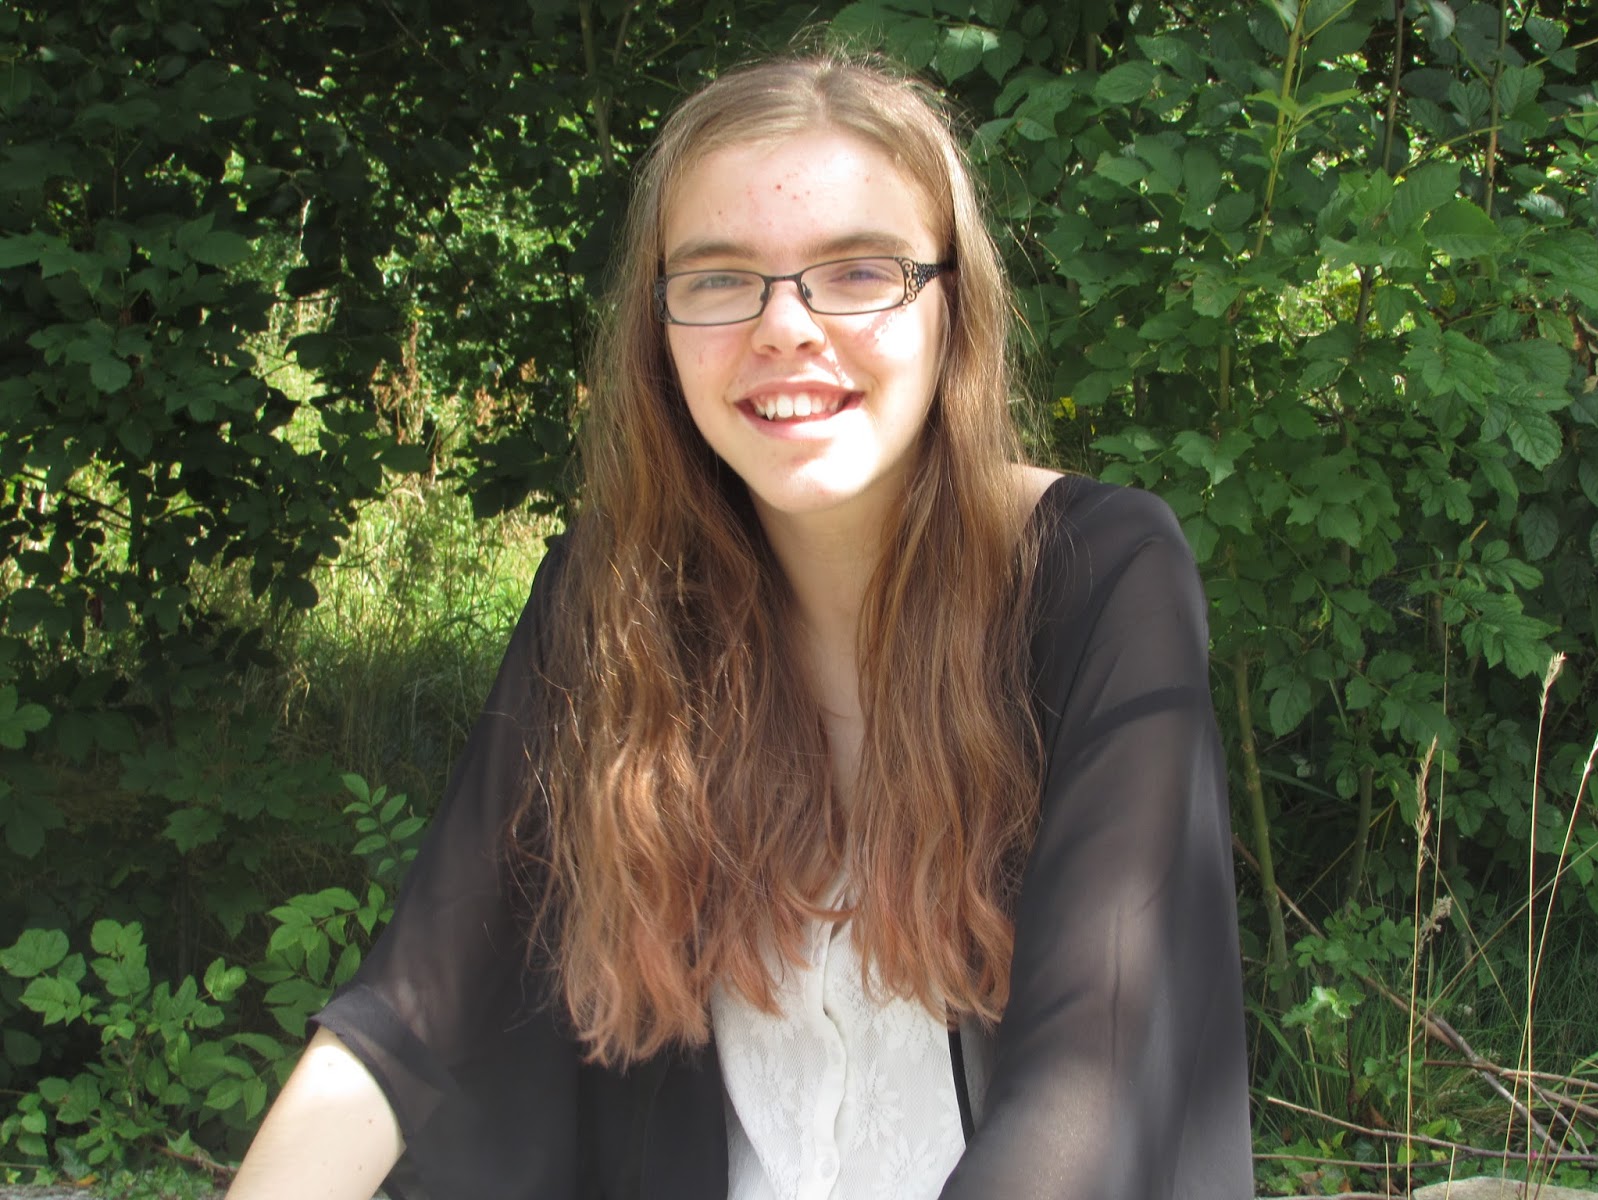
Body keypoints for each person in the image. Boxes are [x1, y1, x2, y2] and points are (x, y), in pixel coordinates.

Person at [225, 55, 1252, 1200]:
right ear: (658, 326)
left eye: (857, 271)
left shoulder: (1100, 578)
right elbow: (408, 1016)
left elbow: (1086, 1094)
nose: (784, 327)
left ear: (951, 304)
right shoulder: (611, 604)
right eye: (718, 279)